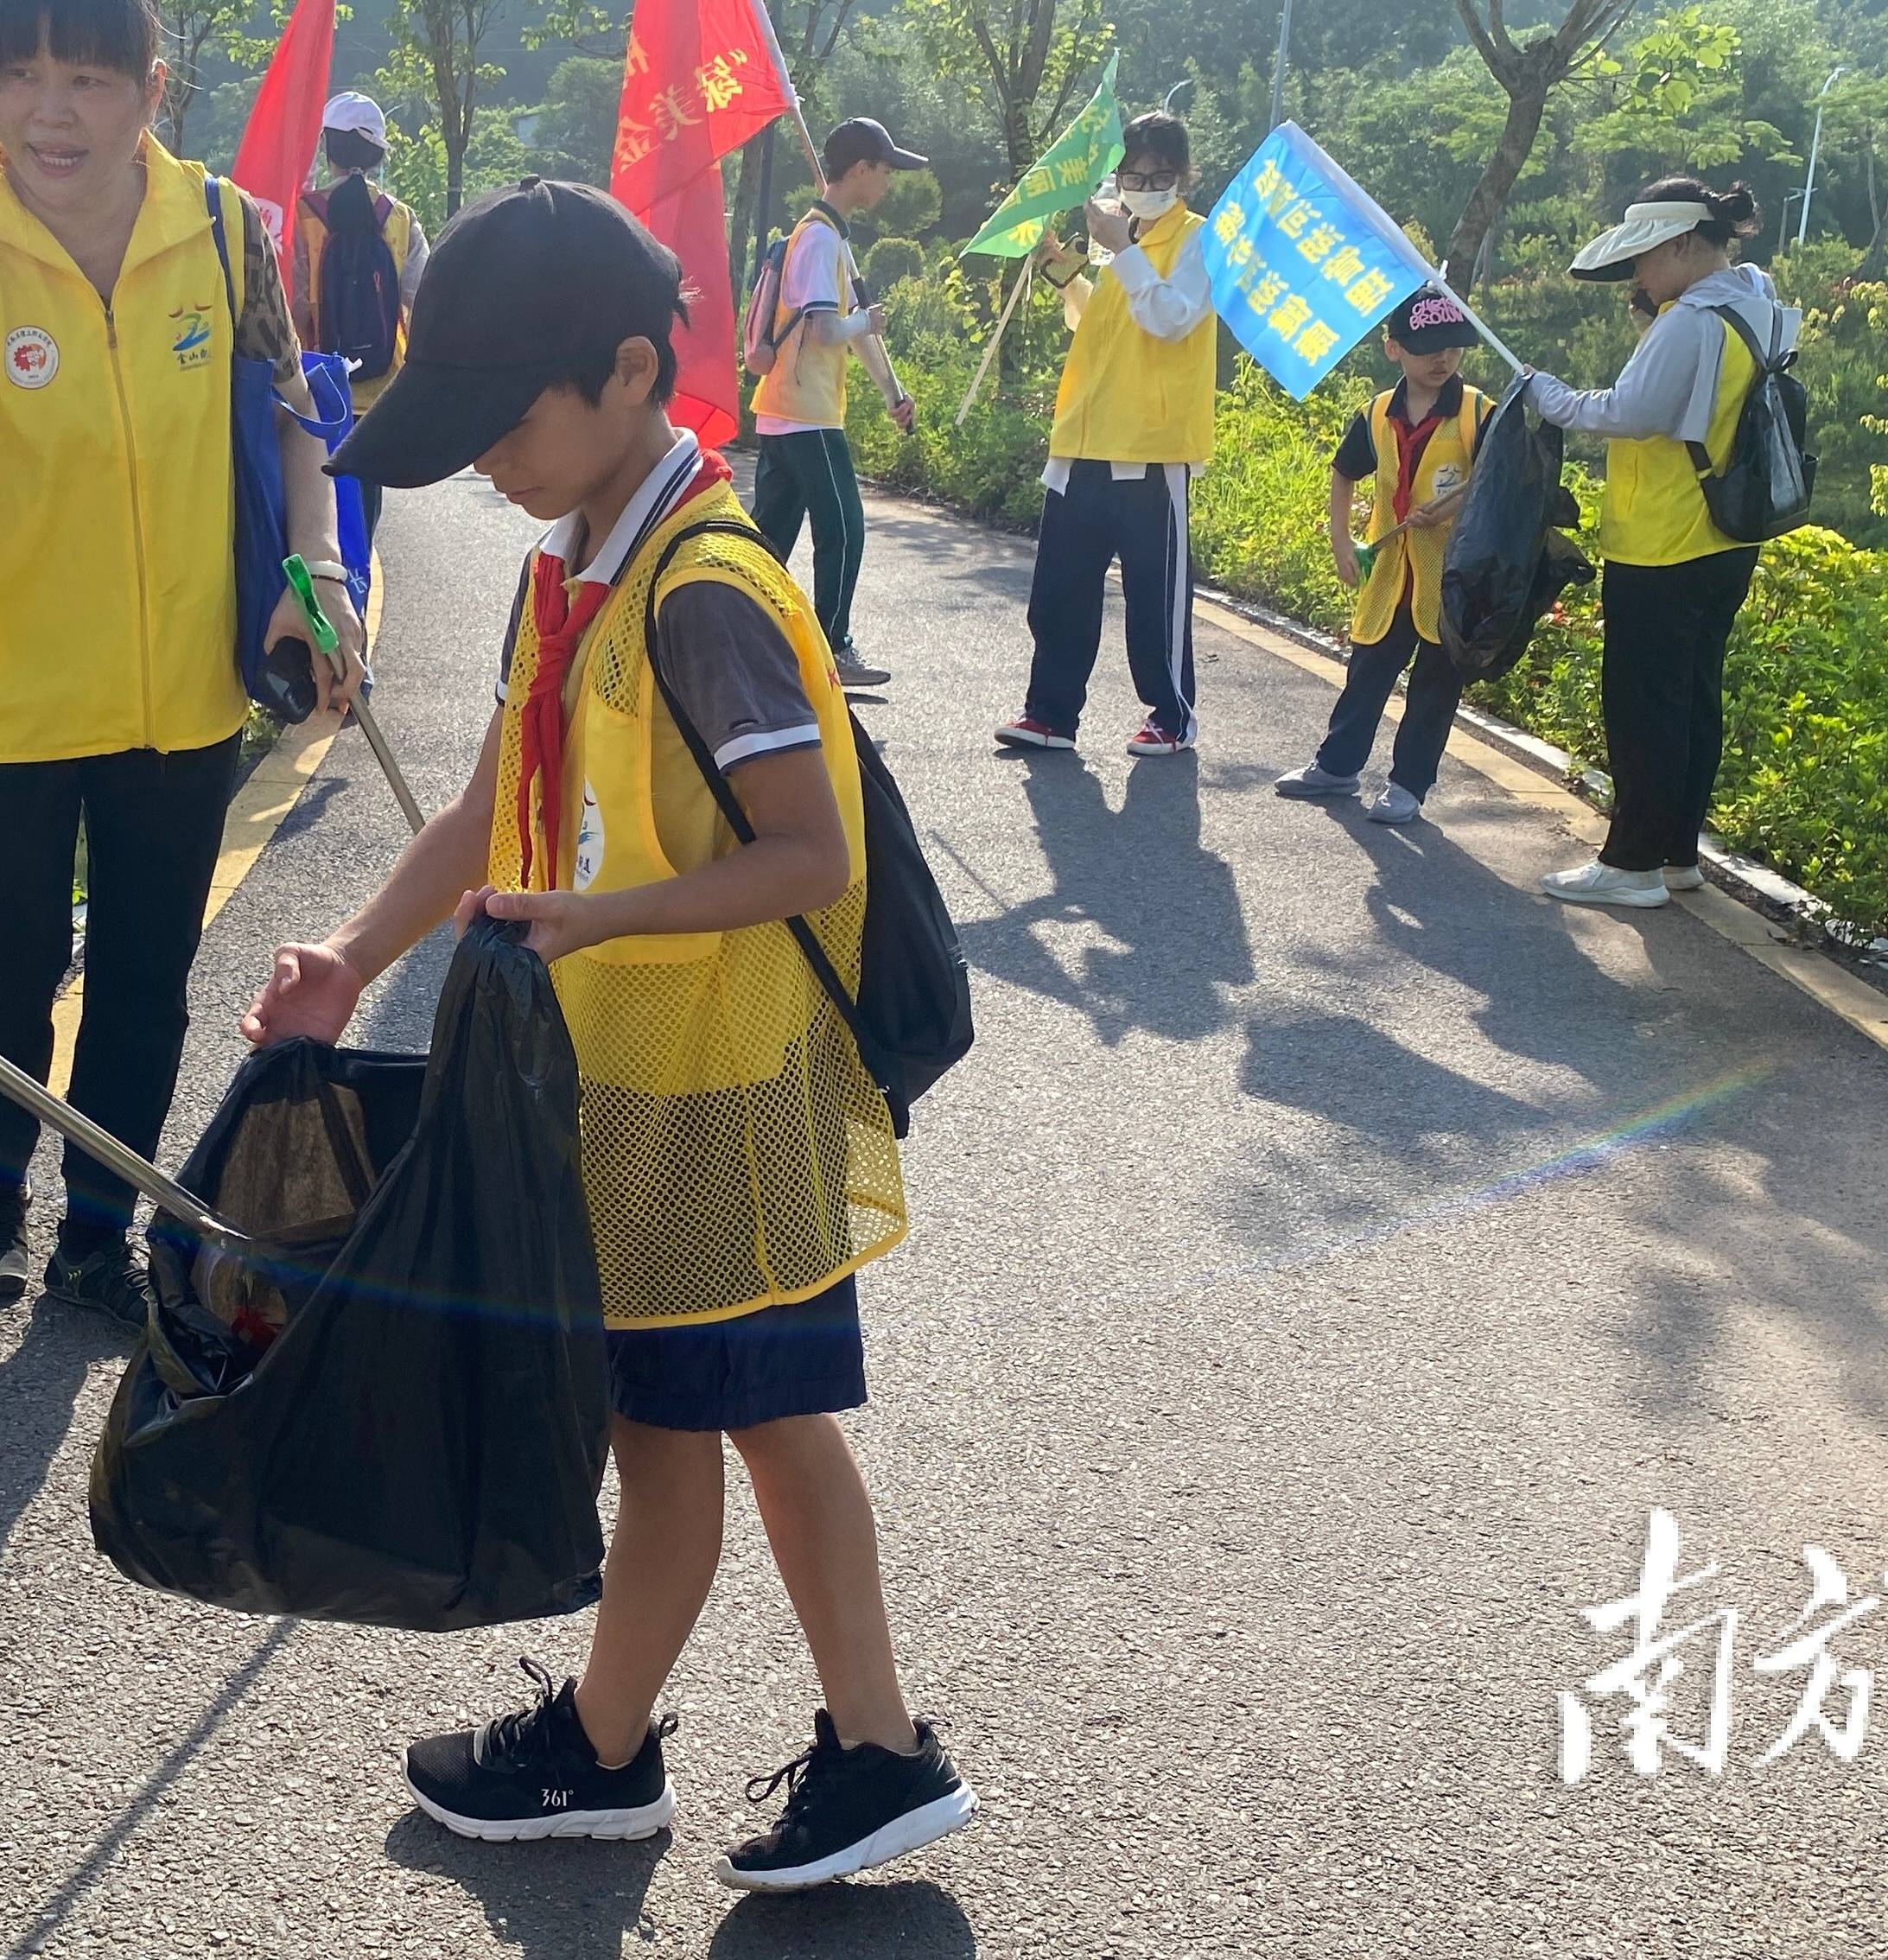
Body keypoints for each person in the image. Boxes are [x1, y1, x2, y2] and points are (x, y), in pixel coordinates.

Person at [251, 177, 973, 1893]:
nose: (486, 462)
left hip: (718, 1097)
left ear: (636, 373)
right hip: (637, 1090)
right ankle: (756, 1743)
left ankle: (663, 1747)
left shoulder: (703, 587)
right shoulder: (577, 558)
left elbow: (811, 850)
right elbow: (508, 785)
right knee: (715, 1423)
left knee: (709, 1429)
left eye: (506, 421)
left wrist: (602, 917)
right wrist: (355, 954)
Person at [0, 0, 364, 1312]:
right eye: (18, 77)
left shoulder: (227, 233)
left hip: (180, 703)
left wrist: (317, 575)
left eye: (84, 78)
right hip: (1, 711)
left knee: (148, 982)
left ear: (148, 87)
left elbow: (297, 414)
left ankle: (98, 1228)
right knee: (4, 983)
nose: (50, 112)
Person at [1521, 175, 1795, 908]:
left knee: (1643, 703)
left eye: (1644, 256)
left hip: (1662, 539)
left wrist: (1547, 393)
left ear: (1681, 243)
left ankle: (1632, 864)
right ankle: (1677, 853)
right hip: (1730, 537)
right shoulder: (1759, 307)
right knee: (1694, 697)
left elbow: (1633, 411)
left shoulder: (1690, 320)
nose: (1638, 274)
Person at [1000, 111, 1215, 758]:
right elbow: (1102, 319)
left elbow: (1172, 318)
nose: (1145, 184)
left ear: (1185, 178)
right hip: (1082, 441)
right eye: (1133, 173)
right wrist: (1067, 271)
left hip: (1151, 450)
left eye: (1159, 175)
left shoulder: (1199, 241)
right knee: (1060, 588)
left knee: (1156, 595)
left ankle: (1171, 718)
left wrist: (1122, 249)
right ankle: (1051, 713)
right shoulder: (1122, 243)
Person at [1275, 291, 1491, 824]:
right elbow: (1344, 472)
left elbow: (1498, 482)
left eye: (1452, 348)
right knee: (1368, 670)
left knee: (1435, 685)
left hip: (1450, 579)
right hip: (1390, 572)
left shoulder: (1477, 412)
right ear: (1394, 349)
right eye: (1427, 350)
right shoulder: (1376, 413)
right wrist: (1341, 541)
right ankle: (1337, 766)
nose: (1442, 360)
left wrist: (1448, 509)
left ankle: (1408, 785)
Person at [747, 116, 925, 692]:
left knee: (768, 537)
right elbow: (827, 330)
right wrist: (863, 320)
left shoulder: (829, 234)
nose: (889, 182)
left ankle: (740, 635)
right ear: (860, 170)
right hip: (808, 413)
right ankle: (832, 647)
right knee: (844, 528)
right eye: (885, 170)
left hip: (785, 409)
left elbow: (853, 334)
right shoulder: (821, 238)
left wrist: (894, 395)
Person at [293, 89, 429, 531]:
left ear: (327, 146)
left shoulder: (302, 214)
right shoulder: (400, 219)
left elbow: (287, 304)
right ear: (377, 154)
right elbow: (422, 300)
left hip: (313, 390)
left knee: (313, 521)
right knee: (362, 522)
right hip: (378, 391)